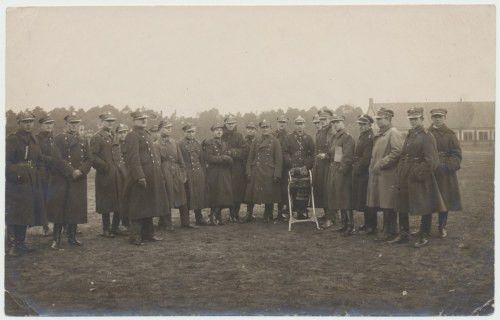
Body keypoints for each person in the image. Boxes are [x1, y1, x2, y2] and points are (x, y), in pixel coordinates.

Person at [395, 107, 446, 247]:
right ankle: (403, 234)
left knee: (424, 205)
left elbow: (432, 161)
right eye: (411, 119)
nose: (413, 121)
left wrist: (417, 173)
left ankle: (424, 235)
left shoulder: (427, 136)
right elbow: (403, 154)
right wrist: (400, 169)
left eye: (415, 119)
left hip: (419, 175)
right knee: (402, 204)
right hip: (405, 174)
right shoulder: (410, 135)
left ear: (422, 120)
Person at [413, 108, 462, 238]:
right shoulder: (425, 133)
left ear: (445, 118)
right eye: (435, 117)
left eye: (440, 116)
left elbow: (457, 155)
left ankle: (442, 226)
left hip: (444, 173)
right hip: (428, 170)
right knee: (426, 199)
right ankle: (424, 228)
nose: (437, 119)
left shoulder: (450, 134)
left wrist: (448, 166)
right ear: (431, 118)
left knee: (444, 200)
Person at [47, 112, 92, 249]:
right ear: (66, 124)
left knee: (75, 207)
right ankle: (57, 239)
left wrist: (81, 170)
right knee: (60, 208)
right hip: (62, 178)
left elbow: (89, 159)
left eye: (77, 123)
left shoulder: (83, 139)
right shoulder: (59, 138)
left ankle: (72, 237)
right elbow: (57, 158)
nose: (74, 126)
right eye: (72, 123)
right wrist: (71, 171)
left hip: (78, 178)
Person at [122, 109, 167, 245]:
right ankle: (134, 236)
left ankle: (148, 234)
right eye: (140, 119)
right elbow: (133, 159)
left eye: (145, 119)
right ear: (134, 121)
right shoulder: (132, 135)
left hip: (151, 175)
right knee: (138, 206)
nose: (143, 121)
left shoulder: (146, 134)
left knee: (149, 205)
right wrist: (140, 176)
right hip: (139, 176)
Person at [6, 110, 45, 256]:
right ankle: (11, 245)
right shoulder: (12, 139)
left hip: (31, 180)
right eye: (25, 122)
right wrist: (18, 173)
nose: (28, 125)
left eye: (31, 121)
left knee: (26, 211)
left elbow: (39, 159)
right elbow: (6, 162)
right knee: (15, 212)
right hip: (16, 182)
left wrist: (39, 173)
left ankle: (21, 243)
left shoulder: (34, 139)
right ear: (19, 123)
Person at [366, 108, 403, 242]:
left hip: (388, 174)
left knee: (388, 203)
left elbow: (397, 152)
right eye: (377, 119)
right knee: (384, 202)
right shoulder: (381, 133)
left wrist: (382, 163)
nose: (377, 122)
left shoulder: (393, 133)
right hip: (380, 174)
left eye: (380, 119)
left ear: (388, 119)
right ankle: (388, 230)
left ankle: (389, 231)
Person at [155, 120, 197, 229]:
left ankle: (185, 222)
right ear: (160, 130)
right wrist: (162, 177)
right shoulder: (156, 144)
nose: (169, 130)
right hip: (165, 171)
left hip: (177, 171)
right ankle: (167, 224)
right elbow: (157, 164)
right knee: (167, 197)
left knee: (182, 196)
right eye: (166, 128)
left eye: (170, 128)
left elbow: (180, 159)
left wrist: (183, 173)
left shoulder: (174, 142)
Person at [90, 112, 122, 238]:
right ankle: (106, 229)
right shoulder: (96, 137)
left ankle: (115, 227)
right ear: (101, 122)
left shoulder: (114, 135)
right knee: (106, 202)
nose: (110, 123)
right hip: (105, 174)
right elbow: (92, 156)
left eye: (112, 121)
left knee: (119, 200)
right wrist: (104, 166)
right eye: (107, 121)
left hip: (117, 173)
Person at [245, 119, 283, 222]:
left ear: (270, 128)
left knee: (269, 194)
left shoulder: (275, 141)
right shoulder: (256, 140)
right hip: (256, 170)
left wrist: (277, 174)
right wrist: (248, 171)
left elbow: (278, 160)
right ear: (260, 129)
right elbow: (250, 158)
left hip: (269, 171)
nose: (265, 129)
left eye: (267, 127)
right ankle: (248, 213)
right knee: (251, 193)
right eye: (263, 127)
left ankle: (268, 214)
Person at [326, 115, 356, 235]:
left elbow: (348, 157)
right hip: (335, 170)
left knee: (346, 199)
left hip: (343, 173)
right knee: (338, 197)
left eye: (337, 122)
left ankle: (350, 225)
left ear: (343, 123)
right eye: (333, 122)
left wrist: (342, 171)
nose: (335, 124)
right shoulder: (335, 137)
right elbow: (334, 153)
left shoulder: (347, 137)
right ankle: (344, 223)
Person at [282, 115, 315, 219]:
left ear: (304, 125)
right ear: (294, 125)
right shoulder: (288, 138)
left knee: (304, 189)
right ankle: (289, 211)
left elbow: (312, 154)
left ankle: (302, 210)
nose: (299, 126)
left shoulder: (309, 138)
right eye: (297, 124)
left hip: (304, 169)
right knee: (290, 189)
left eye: (301, 124)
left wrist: (306, 166)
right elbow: (285, 153)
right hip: (292, 168)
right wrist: (292, 165)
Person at [203, 122, 234, 225]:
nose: (219, 132)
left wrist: (229, 159)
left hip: (224, 172)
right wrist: (223, 158)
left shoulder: (225, 143)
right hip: (214, 172)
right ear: (213, 132)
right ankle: (213, 216)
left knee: (223, 194)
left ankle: (217, 216)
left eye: (220, 130)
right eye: (216, 130)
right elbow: (209, 158)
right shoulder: (208, 143)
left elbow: (228, 155)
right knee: (215, 195)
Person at [178, 123, 208, 226]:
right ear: (184, 132)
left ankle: (199, 218)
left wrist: (203, 173)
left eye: (192, 131)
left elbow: (202, 160)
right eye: (188, 132)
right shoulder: (180, 144)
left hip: (198, 173)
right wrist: (183, 174)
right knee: (187, 196)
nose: (191, 134)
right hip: (187, 172)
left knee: (198, 195)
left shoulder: (198, 143)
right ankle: (185, 221)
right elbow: (179, 160)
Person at [352, 114, 376, 235]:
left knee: (368, 200)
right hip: (361, 172)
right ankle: (367, 224)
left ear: (370, 125)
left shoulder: (370, 137)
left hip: (365, 172)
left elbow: (366, 158)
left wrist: (356, 169)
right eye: (360, 124)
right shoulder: (363, 136)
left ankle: (371, 226)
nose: (361, 127)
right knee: (364, 199)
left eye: (363, 124)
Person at [222, 115, 249, 222]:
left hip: (237, 167)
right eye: (229, 124)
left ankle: (235, 213)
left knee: (237, 191)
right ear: (225, 124)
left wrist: (232, 152)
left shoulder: (239, 136)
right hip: (224, 166)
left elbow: (245, 150)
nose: (231, 126)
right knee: (226, 190)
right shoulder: (221, 135)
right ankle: (227, 213)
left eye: (233, 123)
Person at [315, 109, 336, 227]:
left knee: (329, 190)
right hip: (320, 164)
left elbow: (337, 149)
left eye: (325, 119)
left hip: (329, 164)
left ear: (330, 119)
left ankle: (331, 217)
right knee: (322, 189)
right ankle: (326, 214)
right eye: (321, 119)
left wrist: (327, 156)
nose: (322, 121)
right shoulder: (321, 131)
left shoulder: (332, 131)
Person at [36, 113, 55, 237]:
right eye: (46, 124)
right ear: (41, 125)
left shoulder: (54, 138)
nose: (49, 126)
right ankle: (45, 226)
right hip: (42, 171)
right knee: (44, 198)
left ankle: (60, 224)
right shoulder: (37, 138)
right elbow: (38, 155)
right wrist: (53, 159)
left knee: (56, 198)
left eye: (51, 124)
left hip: (54, 171)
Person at [111, 123, 130, 233]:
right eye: (121, 133)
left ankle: (126, 224)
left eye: (125, 132)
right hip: (121, 176)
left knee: (129, 200)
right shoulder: (115, 146)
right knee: (120, 201)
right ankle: (116, 226)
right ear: (117, 134)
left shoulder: (129, 143)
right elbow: (118, 162)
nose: (123, 135)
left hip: (129, 174)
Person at [273, 115, 290, 220]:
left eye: (284, 122)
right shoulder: (272, 135)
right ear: (277, 123)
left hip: (285, 166)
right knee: (274, 188)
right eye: (280, 122)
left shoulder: (289, 136)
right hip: (274, 165)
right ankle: (273, 212)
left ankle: (284, 211)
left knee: (284, 189)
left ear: (287, 124)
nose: (282, 124)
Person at [241, 122, 258, 222]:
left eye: (252, 129)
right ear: (246, 130)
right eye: (248, 128)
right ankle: (235, 213)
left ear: (256, 130)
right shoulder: (242, 140)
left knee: (250, 191)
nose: (250, 130)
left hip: (252, 167)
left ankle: (249, 212)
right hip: (242, 167)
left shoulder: (258, 141)